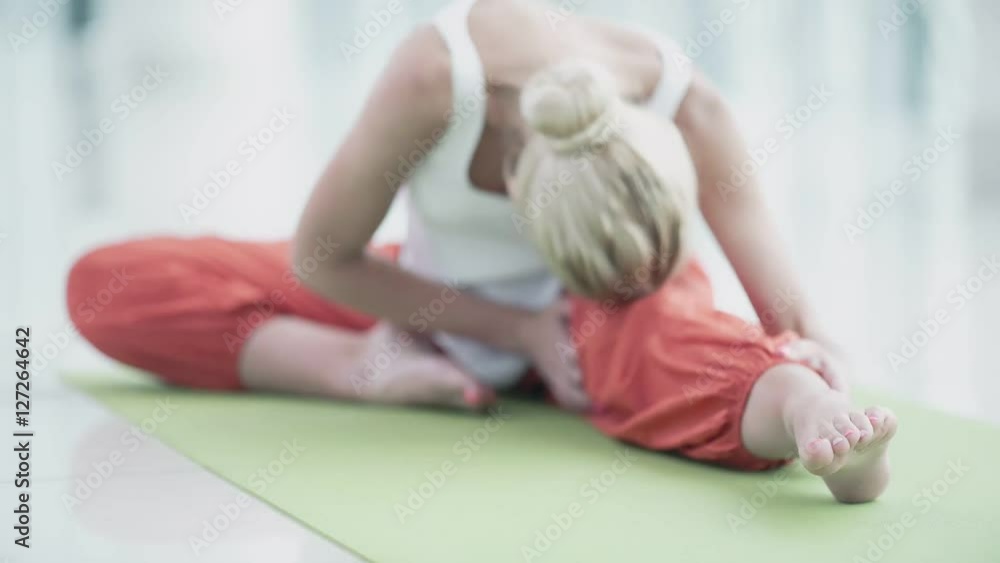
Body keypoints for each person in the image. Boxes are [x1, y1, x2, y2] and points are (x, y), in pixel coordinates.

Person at [66, 0, 897, 503]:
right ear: (521, 183)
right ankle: (360, 367)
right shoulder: (436, 78)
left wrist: (813, 367)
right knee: (110, 284)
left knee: (676, 338)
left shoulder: (681, 101)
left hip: (605, 326)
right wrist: (520, 330)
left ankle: (804, 422)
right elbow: (324, 255)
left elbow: (791, 315)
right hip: (433, 299)